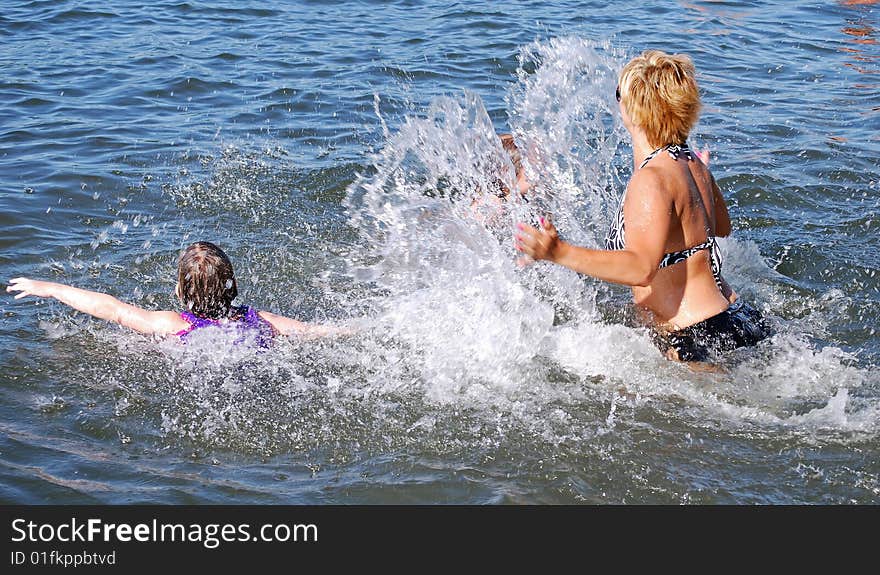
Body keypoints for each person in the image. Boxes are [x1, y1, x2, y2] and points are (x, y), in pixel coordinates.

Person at [514, 50, 769, 362]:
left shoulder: (651, 179)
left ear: (633, 110)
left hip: (695, 338)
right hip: (737, 317)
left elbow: (640, 268)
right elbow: (721, 229)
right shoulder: (692, 164)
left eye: (618, 94)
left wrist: (559, 252)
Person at [7, 241, 347, 346]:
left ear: (178, 290)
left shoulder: (173, 324)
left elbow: (110, 309)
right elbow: (316, 332)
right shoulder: (261, 321)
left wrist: (49, 288)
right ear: (233, 284)